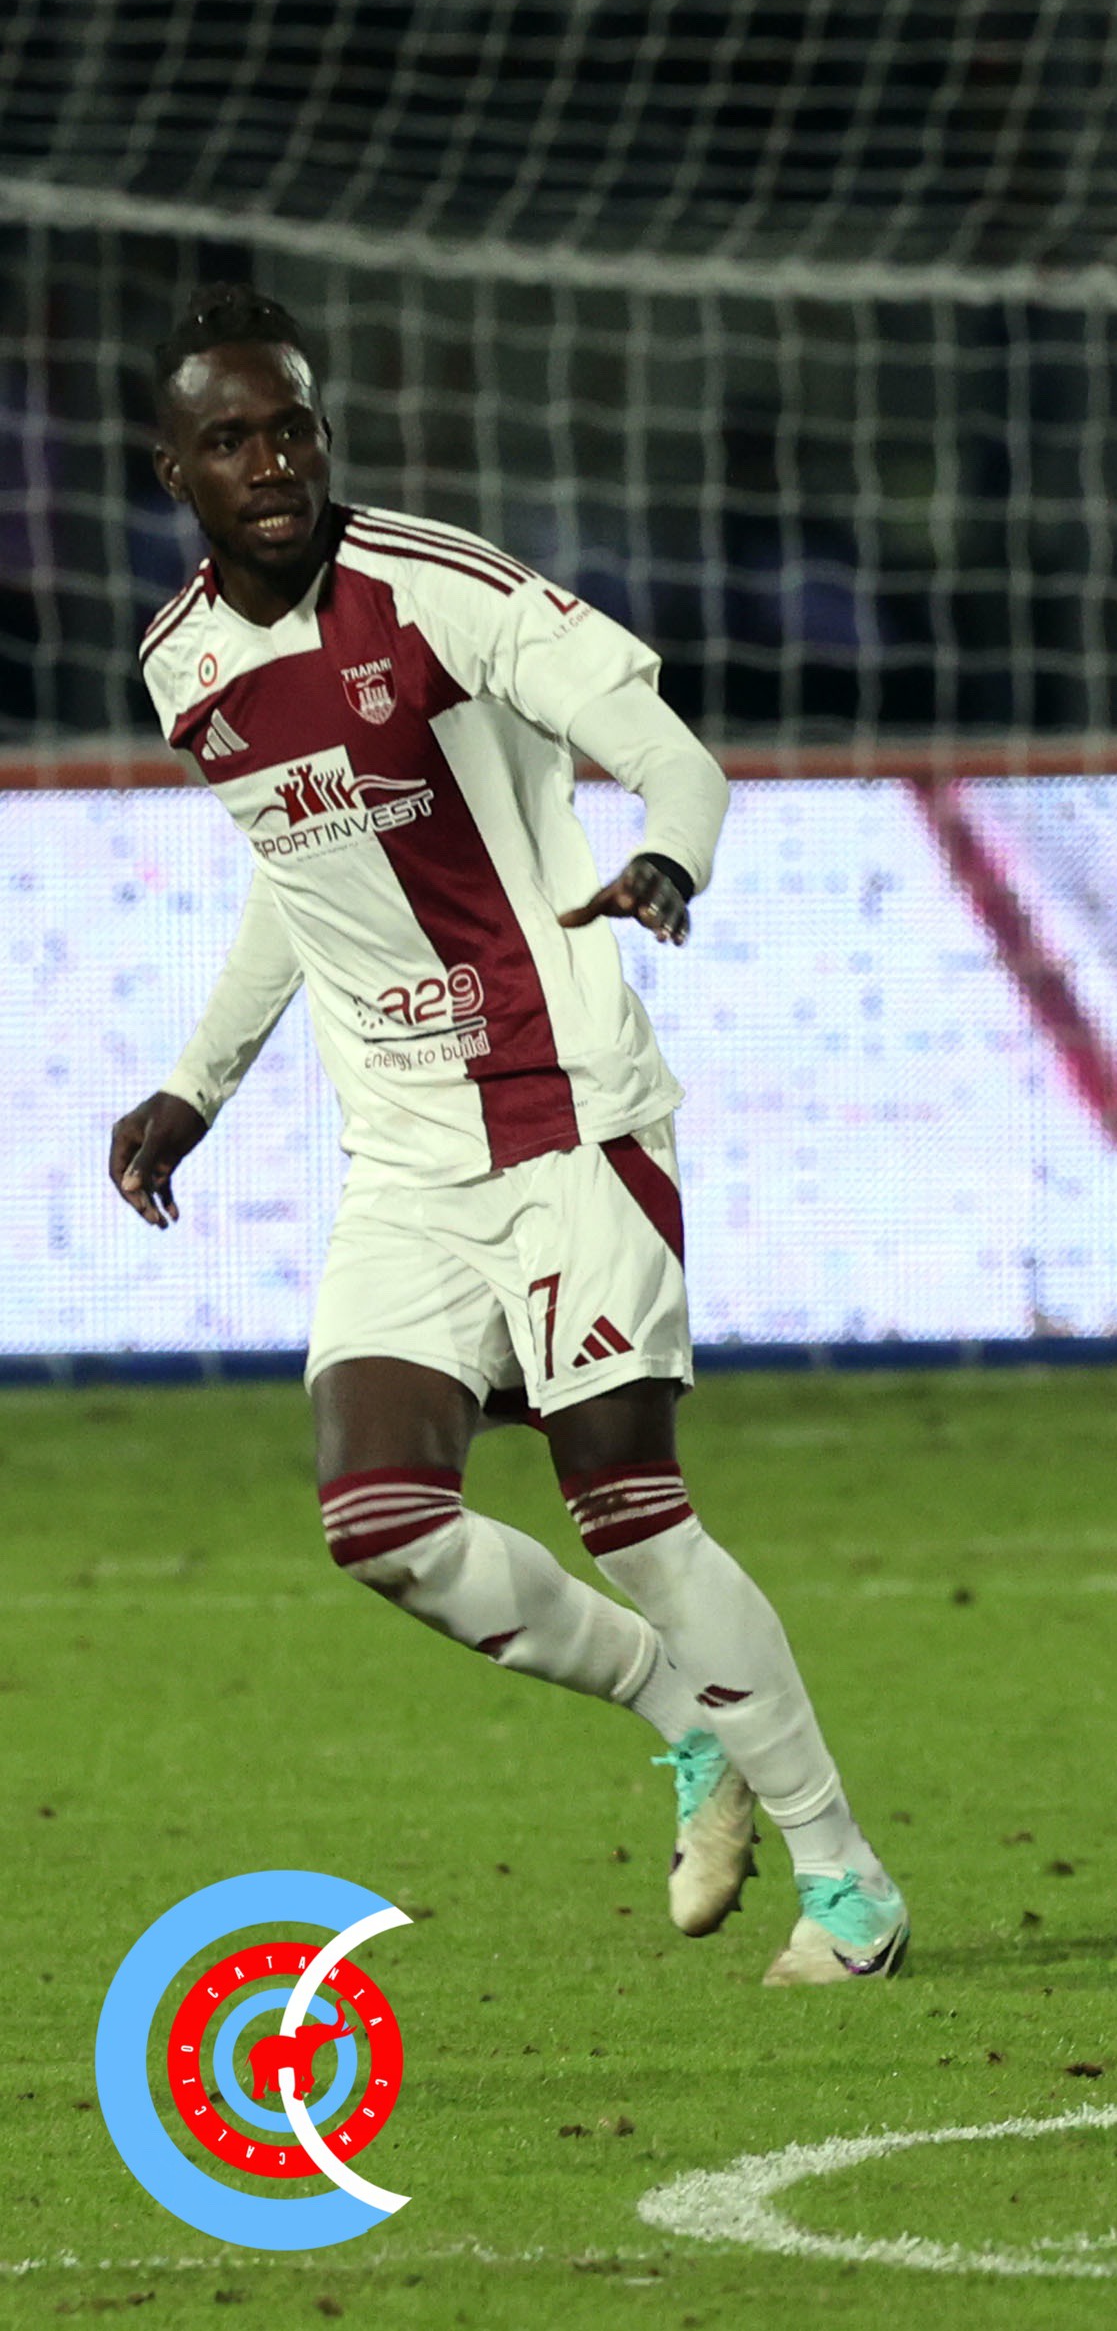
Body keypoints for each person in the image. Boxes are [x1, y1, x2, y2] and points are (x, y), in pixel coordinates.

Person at [107, 285, 908, 1986]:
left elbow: (672, 758)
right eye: (232, 440)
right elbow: (301, 872)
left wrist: (668, 859)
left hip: (568, 1115)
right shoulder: (182, 666)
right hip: (405, 1153)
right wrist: (198, 1083)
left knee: (631, 1510)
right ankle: (682, 1715)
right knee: (378, 1520)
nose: (273, 462)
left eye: (293, 427)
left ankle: (847, 1878)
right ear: (175, 471)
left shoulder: (437, 590)